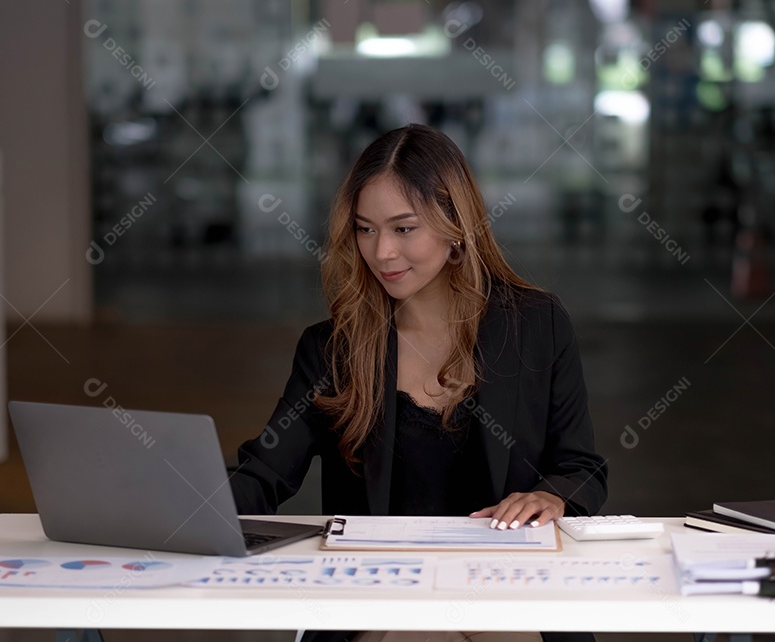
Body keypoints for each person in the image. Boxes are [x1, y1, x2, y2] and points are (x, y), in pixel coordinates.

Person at [230, 123, 608, 642]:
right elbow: (264, 475)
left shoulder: (536, 324)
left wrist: (553, 496)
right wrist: (185, 510)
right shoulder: (333, 348)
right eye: (365, 229)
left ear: (456, 223)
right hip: (380, 599)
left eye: (403, 228)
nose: (382, 251)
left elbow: (580, 467)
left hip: (506, 587)